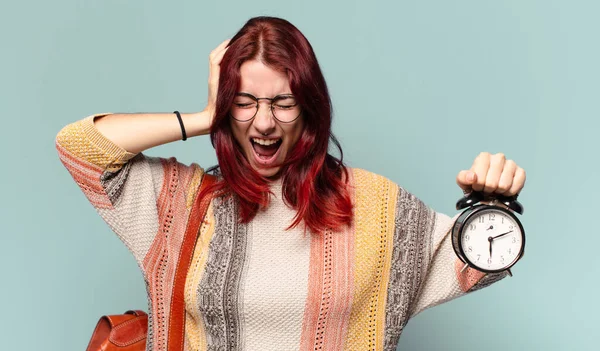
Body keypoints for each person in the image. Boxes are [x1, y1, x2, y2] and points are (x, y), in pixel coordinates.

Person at [55, 16, 526, 351]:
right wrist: (201, 117)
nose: (264, 122)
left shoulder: (375, 207)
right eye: (243, 101)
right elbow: (79, 146)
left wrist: (493, 204)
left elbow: (477, 257)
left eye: (283, 101)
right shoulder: (178, 206)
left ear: (310, 108)